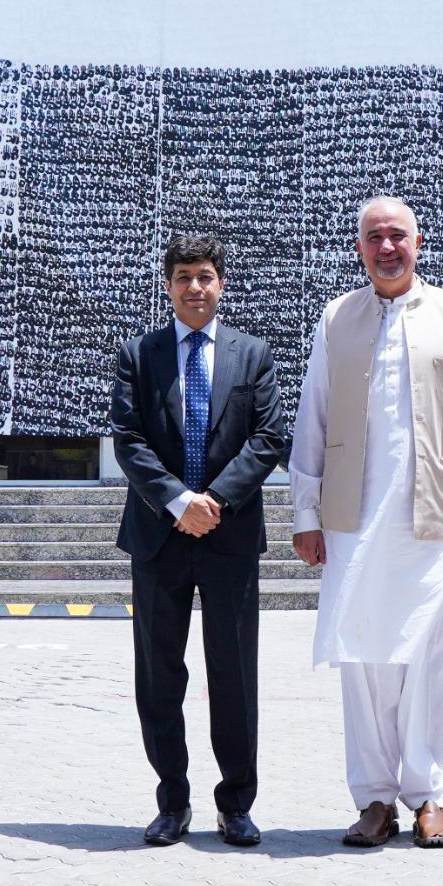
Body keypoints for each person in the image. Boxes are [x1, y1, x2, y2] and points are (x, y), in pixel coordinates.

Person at [289, 196, 443, 850]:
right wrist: (305, 513)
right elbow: (312, 418)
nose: (387, 247)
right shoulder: (336, 318)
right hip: (351, 522)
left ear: (419, 242)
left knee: (430, 658)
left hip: (435, 517)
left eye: (397, 236)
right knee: (363, 661)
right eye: (374, 237)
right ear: (359, 247)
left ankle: (429, 796)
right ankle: (375, 798)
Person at [110, 232, 288, 848]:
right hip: (159, 537)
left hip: (228, 536)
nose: (194, 287)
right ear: (168, 286)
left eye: (205, 276)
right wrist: (179, 502)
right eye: (183, 276)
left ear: (221, 284)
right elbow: (128, 439)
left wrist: (215, 501)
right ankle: (172, 802)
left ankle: (236, 804)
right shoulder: (139, 354)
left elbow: (268, 438)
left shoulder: (252, 355)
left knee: (233, 675)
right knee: (159, 676)